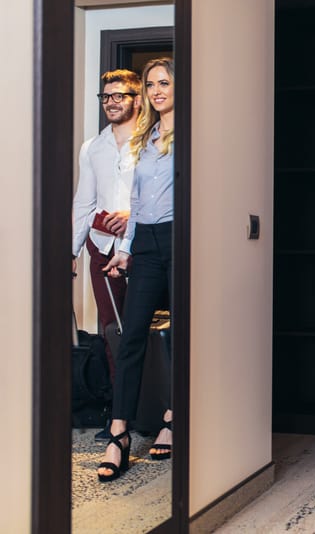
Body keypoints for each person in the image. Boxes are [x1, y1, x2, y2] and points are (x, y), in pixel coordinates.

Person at [97, 57, 175, 482]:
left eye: (164, 82)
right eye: (150, 85)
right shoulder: (144, 139)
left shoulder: (191, 135)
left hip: (182, 239)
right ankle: (120, 433)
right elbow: (139, 200)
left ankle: (171, 417)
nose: (157, 90)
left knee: (183, 335)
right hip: (145, 243)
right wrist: (125, 249)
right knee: (132, 339)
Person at [72, 70, 141, 441]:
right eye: (106, 96)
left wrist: (131, 217)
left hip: (143, 246)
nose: (112, 101)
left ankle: (150, 406)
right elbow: (84, 201)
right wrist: (69, 251)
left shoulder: (152, 140)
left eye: (120, 95)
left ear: (137, 99)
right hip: (100, 247)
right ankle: (118, 412)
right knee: (111, 329)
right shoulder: (91, 148)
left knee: (141, 326)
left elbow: (162, 196)